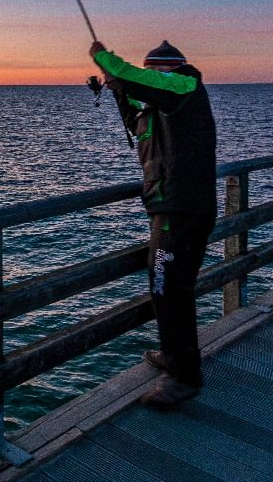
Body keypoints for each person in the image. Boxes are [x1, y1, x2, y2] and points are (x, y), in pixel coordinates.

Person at [90, 39, 217, 408]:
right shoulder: (161, 108)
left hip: (182, 210)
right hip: (170, 207)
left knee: (168, 288)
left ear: (162, 72)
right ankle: (173, 355)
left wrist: (105, 59)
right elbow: (135, 119)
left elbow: (132, 76)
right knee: (168, 286)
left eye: (150, 74)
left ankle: (184, 376)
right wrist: (118, 91)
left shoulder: (184, 84)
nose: (148, 81)